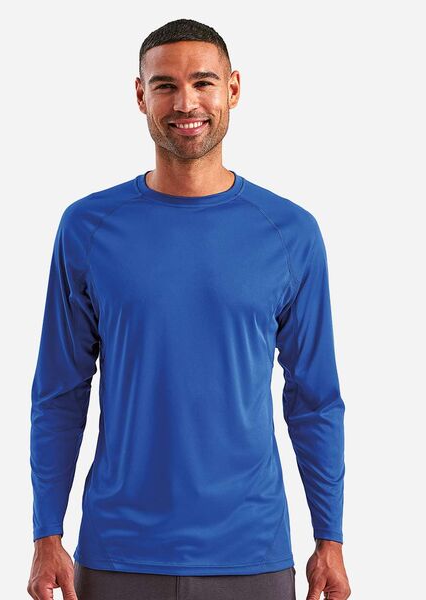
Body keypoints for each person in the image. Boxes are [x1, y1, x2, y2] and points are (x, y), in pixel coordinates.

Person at [27, 18, 351, 600]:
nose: (185, 103)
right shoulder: (87, 228)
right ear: (140, 95)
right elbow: (58, 392)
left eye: (203, 82)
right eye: (165, 86)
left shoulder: (290, 232)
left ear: (233, 89)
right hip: (119, 552)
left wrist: (330, 538)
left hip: (251, 553)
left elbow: (315, 398)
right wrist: (46, 533)